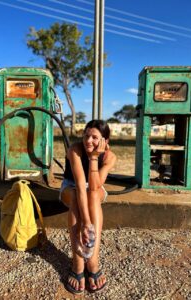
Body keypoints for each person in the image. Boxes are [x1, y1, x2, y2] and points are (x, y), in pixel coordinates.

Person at [60, 119, 116, 294]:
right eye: (86, 136)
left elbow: (93, 187)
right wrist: (85, 222)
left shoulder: (109, 157)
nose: (88, 141)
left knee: (92, 193)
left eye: (94, 137)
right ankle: (78, 263)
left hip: (95, 188)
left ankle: (92, 261)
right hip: (71, 187)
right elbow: (79, 185)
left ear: (105, 141)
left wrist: (93, 158)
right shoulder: (74, 150)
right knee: (78, 196)